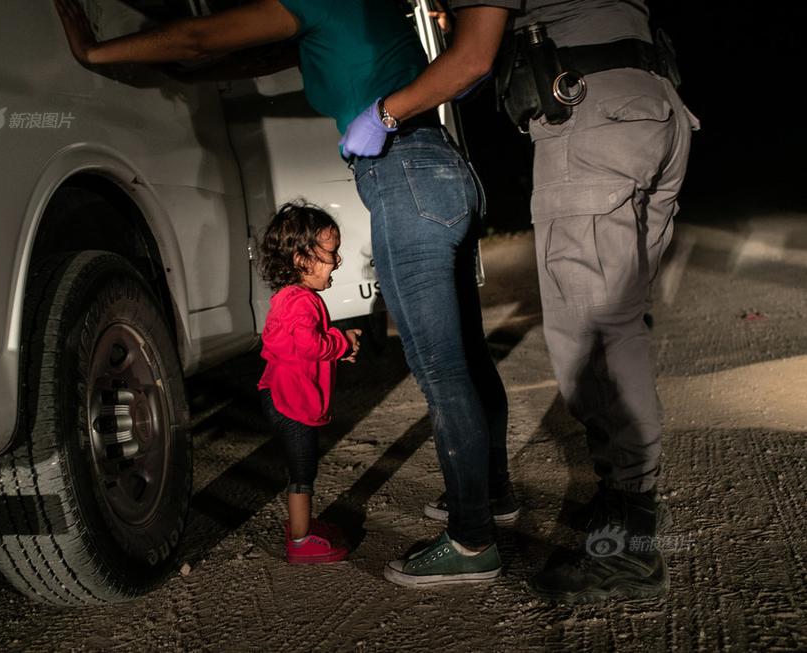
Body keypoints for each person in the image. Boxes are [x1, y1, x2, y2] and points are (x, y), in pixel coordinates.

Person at [54, 0, 515, 587]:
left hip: (403, 175)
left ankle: (472, 539)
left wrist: (92, 52)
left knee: (442, 371)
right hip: (445, 170)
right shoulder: (357, 14)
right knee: (467, 360)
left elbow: (199, 37)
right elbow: (231, 59)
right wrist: (178, 72)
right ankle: (490, 495)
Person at [341, 0, 696, 602]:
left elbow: (472, 58)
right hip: (654, 105)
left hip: (592, 118)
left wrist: (384, 112)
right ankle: (623, 510)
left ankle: (628, 545)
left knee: (593, 341)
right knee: (620, 326)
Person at [257, 202, 359, 564]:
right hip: (292, 402)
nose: (337, 261)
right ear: (302, 260)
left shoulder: (289, 298)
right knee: (302, 471)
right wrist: (342, 342)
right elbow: (308, 344)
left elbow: (298, 346)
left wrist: (336, 347)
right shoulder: (302, 302)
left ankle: (302, 526)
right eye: (330, 254)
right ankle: (300, 541)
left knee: (301, 468)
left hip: (280, 395)